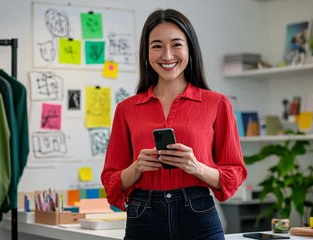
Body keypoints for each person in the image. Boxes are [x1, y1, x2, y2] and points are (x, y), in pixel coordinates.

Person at [101, 8, 247, 240]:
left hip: (198, 214)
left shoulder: (216, 103)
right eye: (157, 46)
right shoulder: (126, 109)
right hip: (143, 215)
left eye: (176, 44)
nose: (167, 55)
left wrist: (195, 167)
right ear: (147, 53)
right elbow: (111, 181)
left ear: (190, 49)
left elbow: (234, 172)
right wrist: (136, 167)